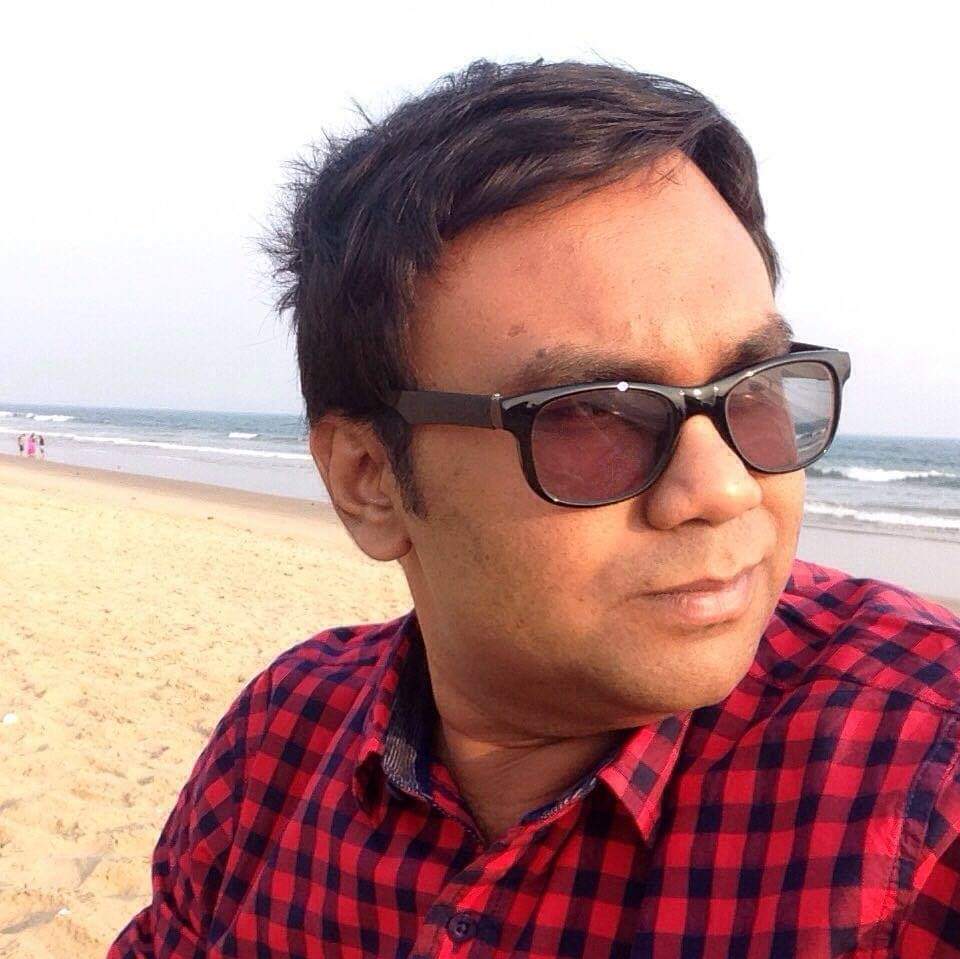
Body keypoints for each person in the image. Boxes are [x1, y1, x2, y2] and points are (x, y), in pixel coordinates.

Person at [108, 60, 960, 958]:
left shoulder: (925, 794)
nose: (724, 487)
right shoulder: (280, 746)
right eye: (591, 412)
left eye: (755, 385)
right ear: (369, 479)